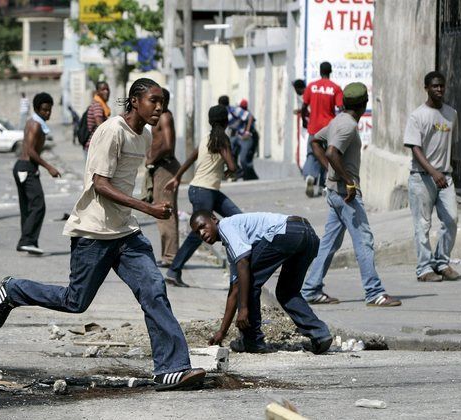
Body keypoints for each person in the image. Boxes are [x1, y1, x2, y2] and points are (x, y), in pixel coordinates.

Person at [0, 78, 206, 391]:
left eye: (162, 103)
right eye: (153, 101)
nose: (159, 108)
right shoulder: (111, 131)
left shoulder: (143, 135)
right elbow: (101, 185)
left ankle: (171, 368)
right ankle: (14, 290)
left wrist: (150, 201)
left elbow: (127, 181)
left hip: (125, 233)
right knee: (75, 301)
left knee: (154, 288)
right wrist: (148, 209)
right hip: (94, 231)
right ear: (134, 101)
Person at [301, 83, 402, 307]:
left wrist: (329, 169)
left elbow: (315, 141)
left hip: (334, 192)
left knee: (329, 243)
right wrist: (348, 182)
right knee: (364, 239)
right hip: (344, 194)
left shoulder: (338, 121)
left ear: (345, 103)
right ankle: (374, 292)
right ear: (364, 104)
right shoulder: (347, 126)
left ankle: (310, 289)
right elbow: (331, 151)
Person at [191, 210, 332, 354]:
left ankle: (252, 341)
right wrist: (222, 332)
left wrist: (244, 309)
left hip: (286, 232)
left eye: (203, 226)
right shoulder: (233, 245)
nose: (202, 233)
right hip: (308, 234)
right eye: (197, 232)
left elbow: (243, 266)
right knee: (287, 292)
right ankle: (320, 335)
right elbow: (234, 290)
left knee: (247, 282)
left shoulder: (226, 226)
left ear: (214, 219)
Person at [163, 105, 240, 287]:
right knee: (199, 233)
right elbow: (233, 166)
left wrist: (177, 177)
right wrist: (230, 171)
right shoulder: (222, 140)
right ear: (226, 121)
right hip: (204, 191)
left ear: (210, 121)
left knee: (238, 218)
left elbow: (191, 157)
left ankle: (245, 257)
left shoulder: (208, 138)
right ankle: (174, 271)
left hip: (204, 190)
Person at [404, 71, 460, 282]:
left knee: (452, 219)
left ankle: (441, 262)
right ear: (426, 88)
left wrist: (442, 171)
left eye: (442, 86)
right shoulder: (417, 116)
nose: (439, 89)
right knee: (422, 225)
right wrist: (433, 172)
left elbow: (451, 144)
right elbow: (415, 148)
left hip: (445, 177)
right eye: (435, 86)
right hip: (422, 178)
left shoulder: (451, 113)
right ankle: (424, 269)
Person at [14, 92, 61, 255]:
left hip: (25, 166)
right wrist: (49, 167)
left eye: (49, 110)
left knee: (28, 207)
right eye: (44, 110)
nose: (47, 113)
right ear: (36, 109)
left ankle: (29, 242)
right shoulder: (36, 125)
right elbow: (30, 151)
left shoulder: (33, 122)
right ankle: (26, 241)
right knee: (38, 205)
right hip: (26, 166)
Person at [147, 88, 181, 267]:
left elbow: (168, 145)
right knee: (162, 211)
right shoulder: (158, 117)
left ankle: (170, 257)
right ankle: (168, 255)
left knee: (165, 211)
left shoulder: (165, 117)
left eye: (160, 101)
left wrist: (152, 157)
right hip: (160, 168)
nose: (157, 105)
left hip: (166, 167)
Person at [301, 62, 343, 197]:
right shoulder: (335, 88)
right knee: (328, 156)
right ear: (330, 72)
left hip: (313, 127)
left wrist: (304, 120)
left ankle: (310, 176)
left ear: (320, 71)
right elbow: (341, 108)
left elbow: (304, 106)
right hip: (328, 129)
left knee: (312, 154)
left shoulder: (311, 87)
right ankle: (325, 185)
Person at [227, 99, 259, 180]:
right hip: (239, 136)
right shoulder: (235, 112)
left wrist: (247, 132)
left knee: (244, 159)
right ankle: (237, 172)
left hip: (248, 137)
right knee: (229, 152)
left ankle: (249, 176)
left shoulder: (241, 112)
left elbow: (250, 117)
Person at [84, 81, 111, 154]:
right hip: (94, 147)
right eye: (103, 90)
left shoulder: (101, 105)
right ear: (97, 92)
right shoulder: (97, 106)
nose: (106, 92)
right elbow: (100, 125)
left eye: (107, 89)